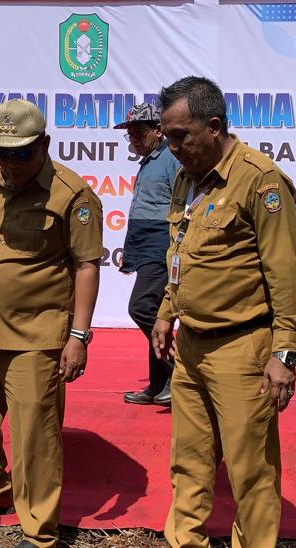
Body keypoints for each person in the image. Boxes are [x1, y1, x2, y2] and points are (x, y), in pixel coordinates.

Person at [149, 77, 296, 548]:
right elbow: (183, 253)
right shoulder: (187, 176)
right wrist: (166, 312)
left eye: (180, 136)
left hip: (243, 347)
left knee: (250, 467)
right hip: (192, 346)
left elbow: (284, 274)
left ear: (213, 126)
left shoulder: (260, 180)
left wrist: (284, 354)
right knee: (189, 459)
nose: (171, 147)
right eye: (167, 136)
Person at [0, 99, 103, 548]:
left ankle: (39, 532)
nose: (10, 164)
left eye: (20, 154)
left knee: (36, 437)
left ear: (44, 146)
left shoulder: (72, 195)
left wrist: (78, 335)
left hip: (38, 334)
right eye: (3, 153)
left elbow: (87, 265)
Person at [114, 102, 181, 407]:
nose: (133, 140)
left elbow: (181, 205)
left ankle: (179, 373)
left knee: (142, 307)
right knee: (152, 311)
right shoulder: (151, 159)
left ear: (158, 130)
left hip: (161, 240)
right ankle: (157, 386)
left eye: (138, 133)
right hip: (145, 238)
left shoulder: (171, 158)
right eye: (130, 135)